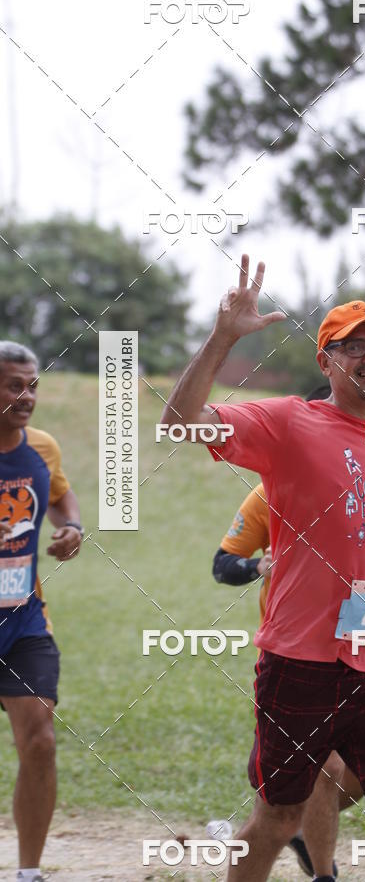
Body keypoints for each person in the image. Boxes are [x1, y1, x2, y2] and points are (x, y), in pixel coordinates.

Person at [162, 255, 365, 882]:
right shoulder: (288, 422)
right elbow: (180, 425)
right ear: (325, 363)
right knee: (279, 816)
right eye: (351, 348)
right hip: (299, 660)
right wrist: (223, 337)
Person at [213, 384, 365, 878]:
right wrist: (259, 568)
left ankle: (299, 828)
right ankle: (318, 865)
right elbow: (223, 565)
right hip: (299, 654)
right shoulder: (270, 489)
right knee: (317, 778)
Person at [0, 343, 84, 882]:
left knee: (40, 740)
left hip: (24, 620)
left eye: (32, 385)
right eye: (14, 386)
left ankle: (28, 874)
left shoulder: (43, 448)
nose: (26, 397)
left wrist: (72, 527)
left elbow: (59, 495)